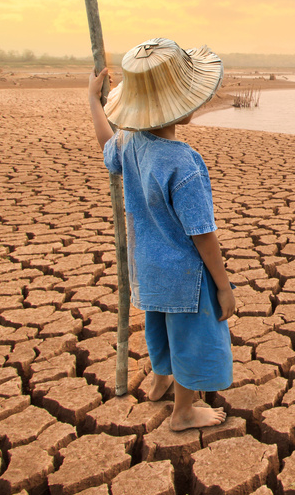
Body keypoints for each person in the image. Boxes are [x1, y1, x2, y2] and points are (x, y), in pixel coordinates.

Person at [88, 38, 236, 430]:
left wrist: (94, 101)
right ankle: (183, 411)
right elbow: (202, 234)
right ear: (184, 106)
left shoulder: (130, 144)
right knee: (189, 337)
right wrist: (222, 285)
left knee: (157, 327)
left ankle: (159, 381)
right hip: (184, 275)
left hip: (146, 266)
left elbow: (108, 143)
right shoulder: (183, 163)